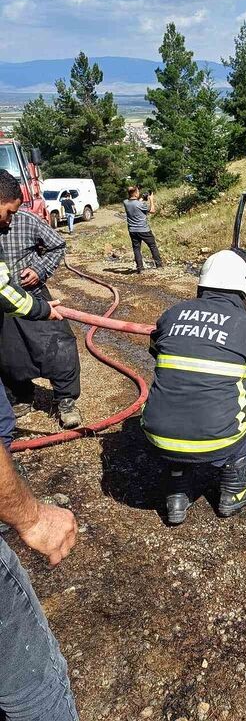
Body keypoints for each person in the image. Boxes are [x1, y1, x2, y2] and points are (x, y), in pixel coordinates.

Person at [0, 244, 79, 718]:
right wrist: (29, 516)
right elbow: (9, 296)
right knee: (34, 688)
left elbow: (56, 248)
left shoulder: (28, 224)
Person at [141, 250, 246, 524]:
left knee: (180, 393)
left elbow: (155, 352)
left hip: (159, 437)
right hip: (218, 440)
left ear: (201, 285)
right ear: (244, 289)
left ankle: (176, 493)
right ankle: (234, 490)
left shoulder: (172, 313)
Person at [0, 170, 82, 429]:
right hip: (5, 302)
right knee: (9, 354)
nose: (9, 221)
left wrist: (39, 269)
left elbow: (58, 245)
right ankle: (22, 395)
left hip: (32, 295)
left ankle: (66, 399)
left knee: (59, 345)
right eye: (8, 212)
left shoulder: (25, 221)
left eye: (13, 213)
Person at [123, 186, 163, 274]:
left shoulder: (125, 202)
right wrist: (151, 200)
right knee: (152, 246)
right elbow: (152, 211)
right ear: (136, 193)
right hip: (143, 229)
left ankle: (140, 268)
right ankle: (159, 265)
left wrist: (142, 199)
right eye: (138, 192)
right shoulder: (140, 204)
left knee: (136, 248)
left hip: (132, 230)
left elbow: (134, 204)